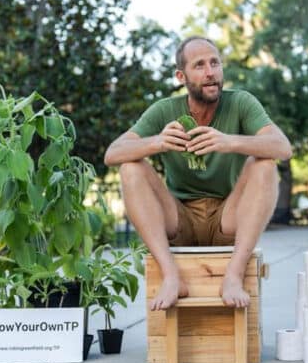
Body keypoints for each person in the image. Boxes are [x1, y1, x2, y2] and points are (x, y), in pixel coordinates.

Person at [104, 36, 292, 311]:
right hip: (179, 220)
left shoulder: (241, 103)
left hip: (227, 219)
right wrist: (158, 142)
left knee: (264, 164)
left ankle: (233, 275)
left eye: (215, 63)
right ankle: (171, 276)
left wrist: (230, 141)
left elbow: (283, 147)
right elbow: (113, 154)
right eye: (200, 65)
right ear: (182, 76)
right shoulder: (164, 110)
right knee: (131, 168)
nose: (210, 72)